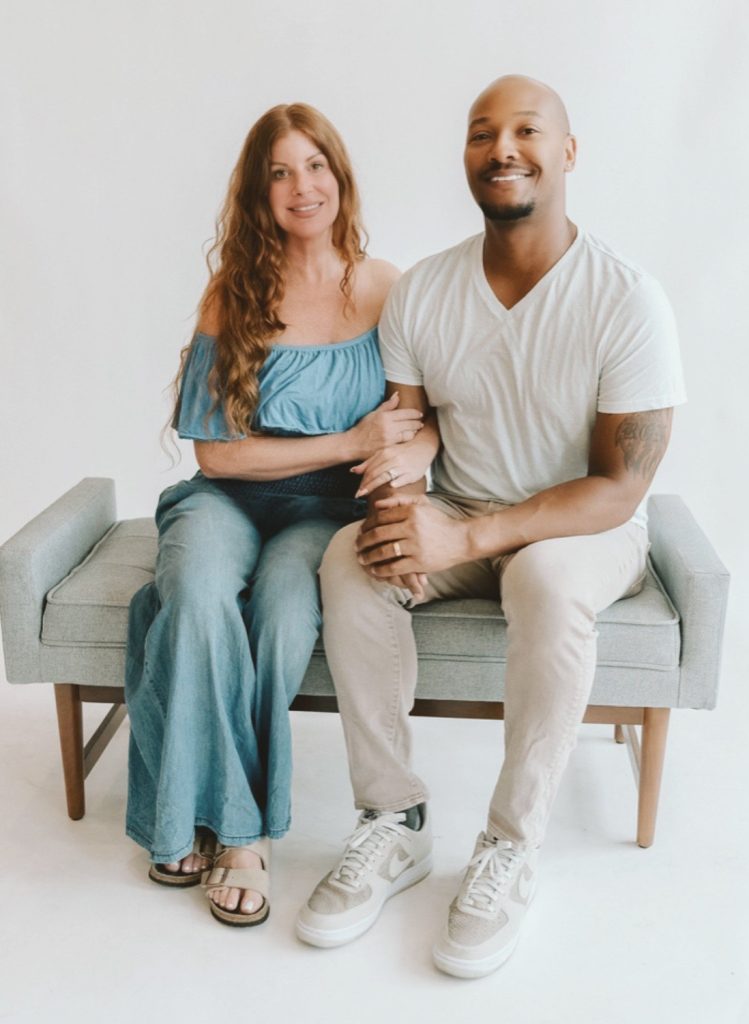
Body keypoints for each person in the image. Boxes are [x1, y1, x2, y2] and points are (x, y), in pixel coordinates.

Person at [296, 75, 686, 975]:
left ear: (567, 153)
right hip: (462, 508)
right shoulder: (424, 291)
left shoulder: (627, 299)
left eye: (525, 130)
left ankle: (509, 847)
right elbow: (411, 424)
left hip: (581, 528)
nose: (501, 147)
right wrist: (400, 490)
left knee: (544, 577)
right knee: (351, 558)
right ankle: (393, 820)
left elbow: (620, 487)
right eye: (481, 133)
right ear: (465, 157)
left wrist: (469, 538)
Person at [125, 102, 439, 927]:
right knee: (191, 592)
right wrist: (346, 438)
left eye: (314, 166)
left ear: (339, 176)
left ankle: (235, 832)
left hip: (323, 515)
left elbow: (420, 416)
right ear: (258, 193)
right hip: (227, 499)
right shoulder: (233, 292)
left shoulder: (384, 285)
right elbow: (216, 454)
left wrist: (402, 457)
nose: (301, 186)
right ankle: (239, 835)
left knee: (284, 607)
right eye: (279, 171)